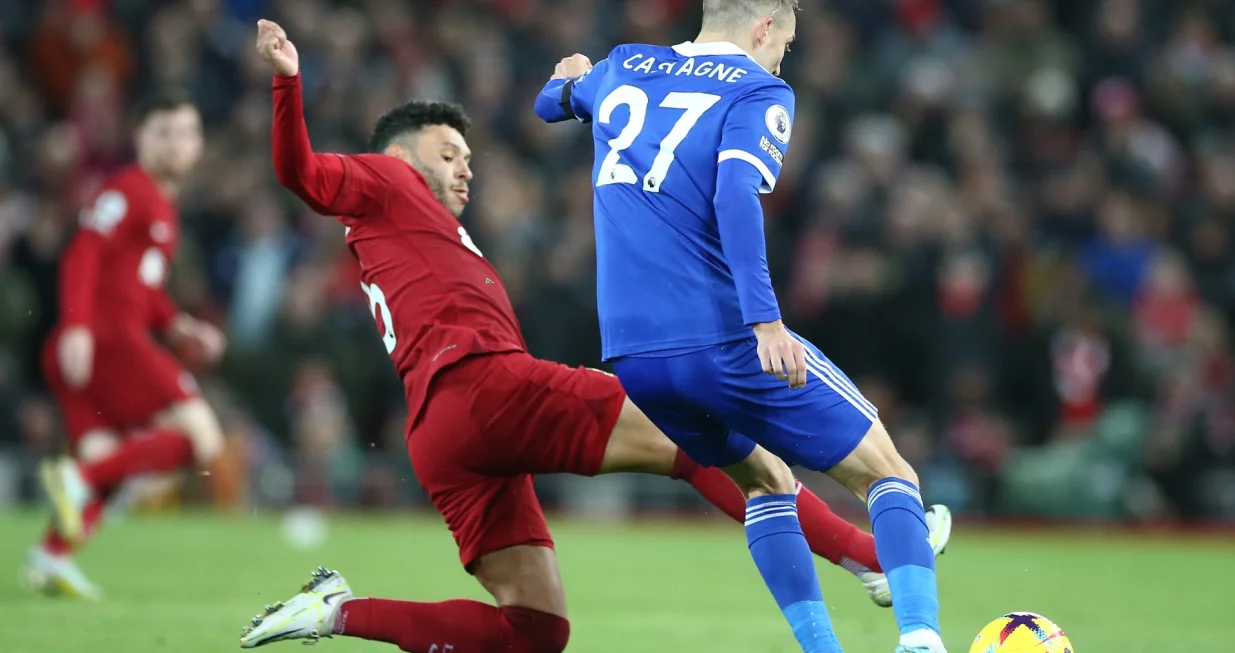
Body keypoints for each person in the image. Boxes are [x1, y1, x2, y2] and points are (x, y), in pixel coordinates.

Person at [239, 19, 950, 653]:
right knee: (697, 442)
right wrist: (287, 84)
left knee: (535, 631)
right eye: (449, 151)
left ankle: (337, 611)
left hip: (438, 433)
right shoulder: (387, 180)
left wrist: (574, 85)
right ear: (401, 152)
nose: (465, 167)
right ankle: (867, 554)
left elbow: (556, 105)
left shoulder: (402, 226)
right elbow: (298, 172)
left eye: (467, 157)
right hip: (488, 387)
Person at [534, 1, 947, 652]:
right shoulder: (759, 89)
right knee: (888, 474)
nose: (784, 56)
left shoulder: (625, 66)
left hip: (634, 354)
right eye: (784, 40)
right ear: (761, 27)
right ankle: (921, 640)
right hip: (720, 337)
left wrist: (571, 76)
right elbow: (734, 194)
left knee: (765, 481)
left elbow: (547, 104)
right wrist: (765, 320)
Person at [25, 89, 227, 600]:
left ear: (200, 143)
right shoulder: (129, 189)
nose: (178, 144)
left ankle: (53, 554)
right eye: (166, 133)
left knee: (112, 457)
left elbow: (146, 289)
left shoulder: (160, 204)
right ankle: (77, 476)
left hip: (99, 340)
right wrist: (75, 325)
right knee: (202, 438)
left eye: (187, 133)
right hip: (106, 340)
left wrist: (180, 326)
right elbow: (83, 252)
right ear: (140, 137)